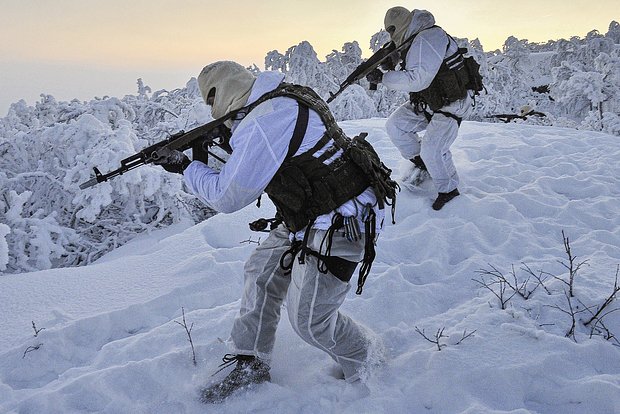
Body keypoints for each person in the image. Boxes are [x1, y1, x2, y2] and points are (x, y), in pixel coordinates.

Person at [153, 61, 395, 403]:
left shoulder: (263, 123)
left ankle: (366, 357)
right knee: (262, 272)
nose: (210, 109)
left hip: (341, 222)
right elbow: (256, 162)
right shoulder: (279, 98)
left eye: (210, 100)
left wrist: (186, 167)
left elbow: (227, 196)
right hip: (307, 215)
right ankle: (250, 362)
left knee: (311, 321)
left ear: (222, 92)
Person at [367, 6, 476, 210]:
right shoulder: (413, 38)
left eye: (391, 29)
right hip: (431, 101)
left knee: (433, 149)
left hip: (453, 103)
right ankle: (424, 165)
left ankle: (449, 191)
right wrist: (388, 61)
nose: (391, 34)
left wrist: (383, 77)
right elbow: (407, 56)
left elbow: (417, 79)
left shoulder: (429, 37)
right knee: (395, 126)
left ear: (400, 25)